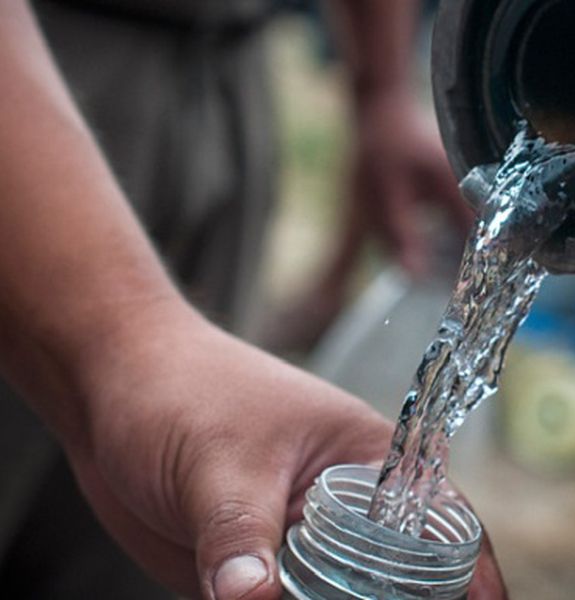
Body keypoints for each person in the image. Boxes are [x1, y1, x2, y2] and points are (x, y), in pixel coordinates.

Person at [0, 2, 505, 599]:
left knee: (150, 542)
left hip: (235, 63)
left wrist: (383, 87)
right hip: (46, 64)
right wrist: (132, 340)